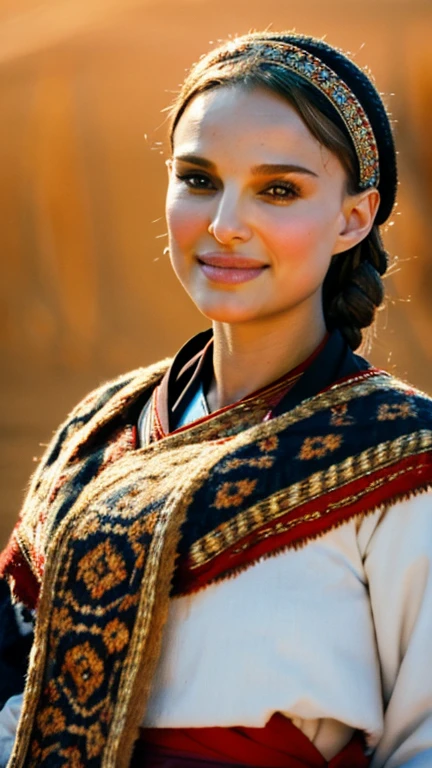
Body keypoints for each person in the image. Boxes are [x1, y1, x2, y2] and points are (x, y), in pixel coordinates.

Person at [1, 29, 432, 768]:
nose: (225, 224)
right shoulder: (100, 428)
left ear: (353, 219)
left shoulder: (405, 455)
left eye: (278, 190)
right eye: (198, 179)